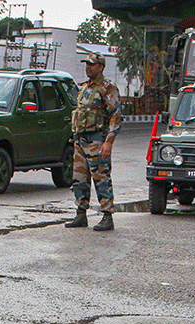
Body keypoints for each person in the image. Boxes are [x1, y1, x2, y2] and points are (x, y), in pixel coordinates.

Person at [65, 52, 121, 232]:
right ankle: (81, 213)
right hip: (80, 139)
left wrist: (109, 142)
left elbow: (115, 116)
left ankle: (107, 215)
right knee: (79, 178)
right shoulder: (83, 88)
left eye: (92, 64)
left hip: (97, 139)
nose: (88, 67)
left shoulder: (108, 88)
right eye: (86, 64)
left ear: (101, 67)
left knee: (101, 176)